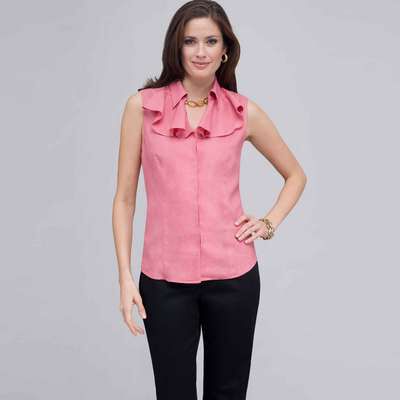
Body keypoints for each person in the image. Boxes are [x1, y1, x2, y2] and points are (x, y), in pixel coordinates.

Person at [112, 1, 307, 399]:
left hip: (234, 279)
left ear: (225, 50)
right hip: (164, 282)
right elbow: (125, 200)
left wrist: (268, 222)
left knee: (229, 393)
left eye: (211, 41)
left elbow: (295, 175)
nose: (200, 51)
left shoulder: (244, 113)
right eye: (190, 41)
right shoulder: (141, 108)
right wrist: (125, 276)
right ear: (176, 47)